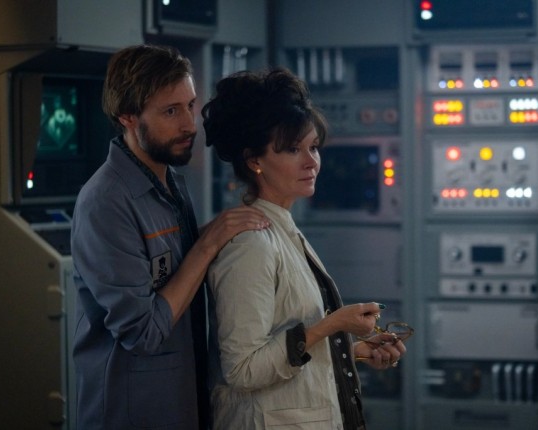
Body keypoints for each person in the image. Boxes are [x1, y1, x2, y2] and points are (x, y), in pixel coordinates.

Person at [70, 45, 270, 430]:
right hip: (133, 412)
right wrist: (208, 243)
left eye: (190, 105)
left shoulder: (169, 180)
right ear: (127, 116)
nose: (190, 125)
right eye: (171, 112)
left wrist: (220, 232)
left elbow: (176, 267)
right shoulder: (105, 202)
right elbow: (142, 332)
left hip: (181, 401)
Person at [202, 68, 407, 430]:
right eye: (293, 149)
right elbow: (243, 369)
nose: (312, 162)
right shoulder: (250, 244)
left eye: (313, 147)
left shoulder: (282, 228)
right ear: (254, 161)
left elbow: (285, 346)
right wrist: (333, 324)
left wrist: (352, 350)